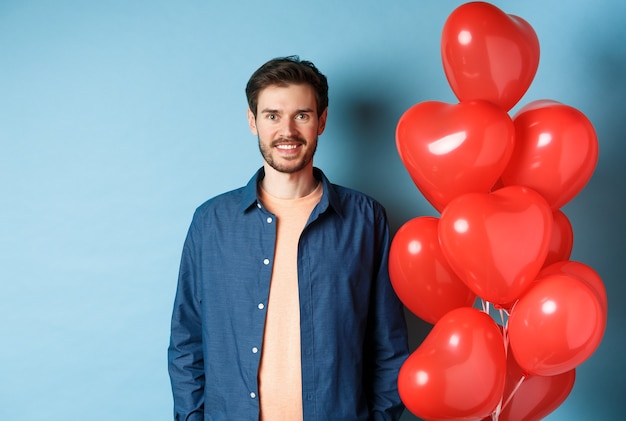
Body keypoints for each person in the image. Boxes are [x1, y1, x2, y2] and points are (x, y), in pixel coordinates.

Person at [168, 55, 409, 421]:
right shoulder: (211, 223)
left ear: (321, 121)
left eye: (302, 115)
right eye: (272, 115)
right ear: (253, 121)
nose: (288, 131)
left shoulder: (365, 219)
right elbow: (186, 342)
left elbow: (389, 346)